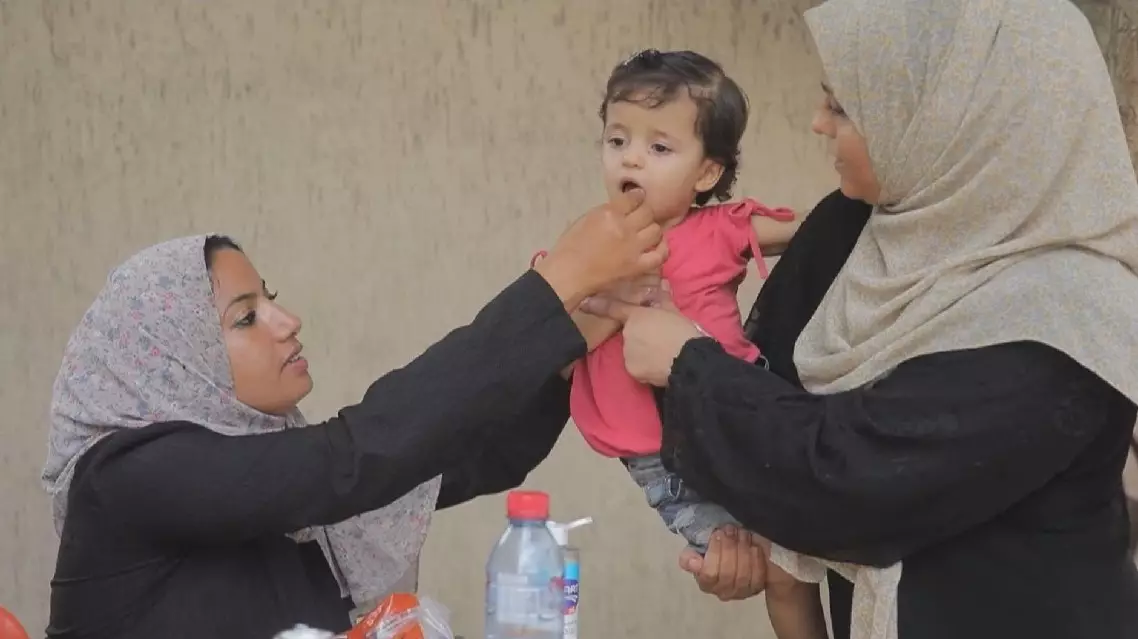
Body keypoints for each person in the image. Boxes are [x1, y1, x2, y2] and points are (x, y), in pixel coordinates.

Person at [581, 0, 1138, 637]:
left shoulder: (1061, 313)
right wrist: (733, 532)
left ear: (953, 122)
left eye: (843, 107)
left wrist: (688, 363)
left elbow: (853, 481)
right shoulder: (859, 229)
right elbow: (770, 396)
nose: (818, 123)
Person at [40, 191, 666, 639]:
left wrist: (563, 345)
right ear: (173, 360)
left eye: (272, 301)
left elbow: (464, 457)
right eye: (246, 317)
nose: (288, 323)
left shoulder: (267, 468)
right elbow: (353, 459)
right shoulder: (127, 476)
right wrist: (552, 288)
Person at [532, 48, 823, 639]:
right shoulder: (586, 247)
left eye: (659, 148)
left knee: (796, 568)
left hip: (740, 421)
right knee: (756, 562)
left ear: (707, 173)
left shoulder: (718, 229)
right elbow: (543, 341)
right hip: (657, 457)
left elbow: (822, 229)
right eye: (618, 141)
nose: (631, 157)